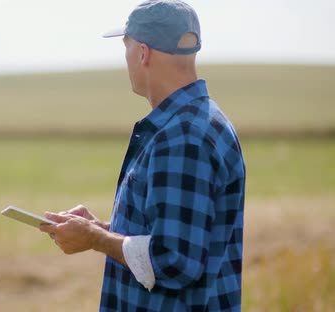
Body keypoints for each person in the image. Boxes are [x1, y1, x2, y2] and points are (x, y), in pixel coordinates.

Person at [39, 0, 246, 311]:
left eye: (126, 47)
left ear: (143, 52)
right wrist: (101, 229)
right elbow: (175, 233)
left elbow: (175, 260)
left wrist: (95, 240)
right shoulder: (200, 122)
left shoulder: (182, 136)